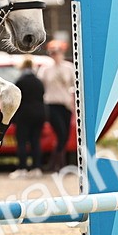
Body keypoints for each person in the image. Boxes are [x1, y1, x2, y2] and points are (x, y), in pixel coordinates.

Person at [38, 38, 76, 172]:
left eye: (57, 52)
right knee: (61, 132)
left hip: (65, 105)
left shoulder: (69, 67)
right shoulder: (45, 69)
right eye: (52, 52)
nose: (54, 55)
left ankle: (58, 163)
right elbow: (41, 86)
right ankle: (56, 164)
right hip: (51, 104)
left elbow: (74, 85)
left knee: (64, 136)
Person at [9, 58, 47, 178]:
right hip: (39, 115)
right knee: (35, 141)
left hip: (24, 115)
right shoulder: (38, 81)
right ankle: (36, 168)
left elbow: (15, 99)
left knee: (22, 142)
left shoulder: (20, 81)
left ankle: (22, 168)